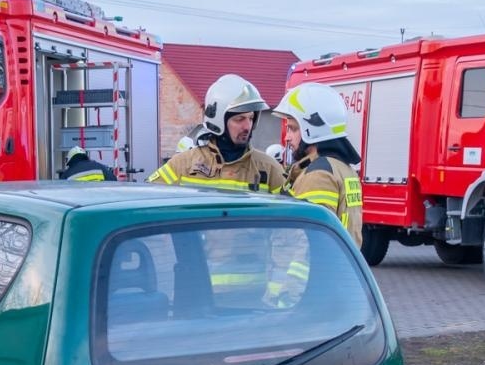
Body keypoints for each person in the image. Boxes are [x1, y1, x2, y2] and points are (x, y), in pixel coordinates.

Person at [149, 75, 285, 194]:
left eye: (250, 118)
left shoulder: (269, 169)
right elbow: (150, 197)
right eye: (239, 119)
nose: (247, 126)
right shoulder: (184, 165)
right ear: (218, 121)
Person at [272, 83, 364, 244]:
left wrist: (292, 270)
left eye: (293, 129)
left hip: (316, 268)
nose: (287, 137)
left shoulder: (319, 174)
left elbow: (309, 239)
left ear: (312, 129)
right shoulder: (344, 168)